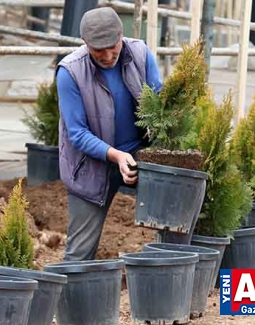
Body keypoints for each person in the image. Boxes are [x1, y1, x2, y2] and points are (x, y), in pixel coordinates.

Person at [56, 7, 163, 261]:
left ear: (121, 35)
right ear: (85, 44)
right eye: (98, 49)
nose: (107, 55)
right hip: (90, 167)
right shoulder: (70, 72)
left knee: (177, 218)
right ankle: (73, 299)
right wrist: (116, 156)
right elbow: (77, 133)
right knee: (79, 254)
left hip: (139, 154)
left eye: (112, 46)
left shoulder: (139, 53)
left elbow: (159, 102)